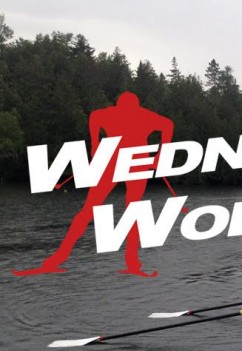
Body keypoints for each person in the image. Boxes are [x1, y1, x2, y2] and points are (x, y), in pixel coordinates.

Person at [13, 91, 174, 277]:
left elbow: (95, 116)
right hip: (126, 162)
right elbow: (168, 125)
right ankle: (131, 262)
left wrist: (95, 144)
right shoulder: (144, 115)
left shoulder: (113, 113)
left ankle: (59, 259)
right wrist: (161, 155)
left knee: (95, 210)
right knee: (124, 210)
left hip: (123, 162)